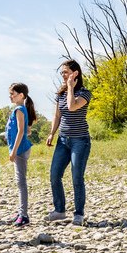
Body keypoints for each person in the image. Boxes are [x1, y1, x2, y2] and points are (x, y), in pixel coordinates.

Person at [45, 59, 91, 226]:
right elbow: (58, 115)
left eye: (66, 72)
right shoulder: (61, 93)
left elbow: (71, 107)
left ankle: (79, 214)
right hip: (63, 140)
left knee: (76, 177)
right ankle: (59, 210)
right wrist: (52, 133)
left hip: (80, 141)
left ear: (75, 73)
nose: (63, 75)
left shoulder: (85, 93)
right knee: (54, 174)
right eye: (62, 73)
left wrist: (71, 87)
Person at [6, 83, 37, 226]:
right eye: (10, 93)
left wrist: (13, 151)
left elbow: (20, 131)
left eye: (13, 93)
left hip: (19, 151)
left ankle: (24, 215)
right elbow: (26, 130)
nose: (10, 96)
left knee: (21, 183)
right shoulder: (21, 109)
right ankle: (20, 211)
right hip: (20, 149)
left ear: (21, 95)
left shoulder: (19, 109)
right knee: (19, 182)